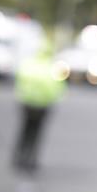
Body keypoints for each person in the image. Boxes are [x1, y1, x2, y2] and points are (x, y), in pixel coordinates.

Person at [12, 44, 66, 172]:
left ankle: (18, 157)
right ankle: (31, 160)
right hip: (43, 106)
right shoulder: (53, 68)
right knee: (36, 133)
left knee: (25, 130)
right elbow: (58, 88)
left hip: (27, 103)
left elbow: (19, 80)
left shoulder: (28, 64)